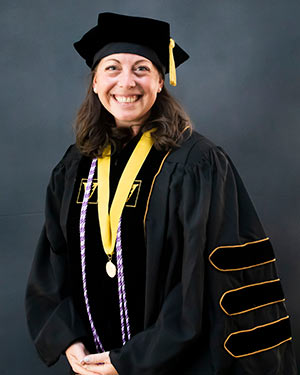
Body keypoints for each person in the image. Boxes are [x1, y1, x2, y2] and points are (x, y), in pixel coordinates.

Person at [25, 12, 297, 375]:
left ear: (159, 81)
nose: (126, 82)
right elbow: (53, 261)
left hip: (175, 364)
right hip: (94, 362)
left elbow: (201, 281)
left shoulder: (197, 164)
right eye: (112, 68)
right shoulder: (76, 165)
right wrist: (68, 339)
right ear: (94, 81)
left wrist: (131, 360)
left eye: (141, 69)